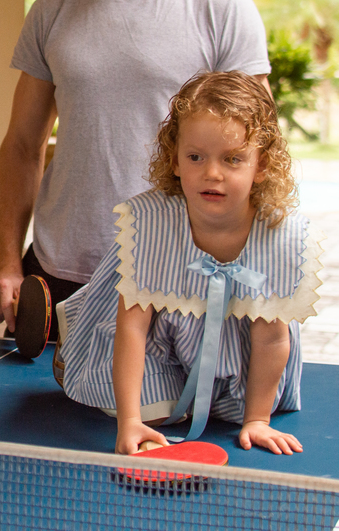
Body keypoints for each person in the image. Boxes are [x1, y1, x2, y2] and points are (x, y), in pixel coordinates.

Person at [0, 0, 271, 341]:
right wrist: (6, 261)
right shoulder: (55, 6)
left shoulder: (221, 6)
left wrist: (249, 271)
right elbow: (21, 145)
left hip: (177, 277)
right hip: (58, 277)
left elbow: (259, 152)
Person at [56, 72, 322, 455]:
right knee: (151, 414)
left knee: (232, 413)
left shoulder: (279, 234)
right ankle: (74, 335)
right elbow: (133, 327)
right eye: (195, 157)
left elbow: (272, 339)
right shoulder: (153, 222)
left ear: (261, 165)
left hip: (239, 352)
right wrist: (130, 421)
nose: (212, 173)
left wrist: (257, 420)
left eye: (233, 159)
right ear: (175, 159)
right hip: (164, 337)